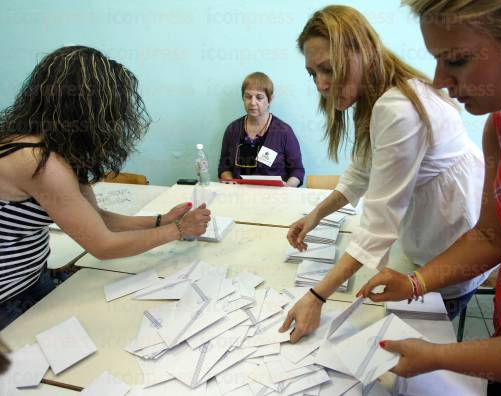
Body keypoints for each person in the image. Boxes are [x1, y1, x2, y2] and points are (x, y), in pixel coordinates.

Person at [358, 1, 501, 394]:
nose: (439, 80)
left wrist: (438, 357)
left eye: (457, 60)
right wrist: (416, 282)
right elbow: (491, 235)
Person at [281, 5, 489, 342]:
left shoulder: (398, 107)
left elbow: (379, 222)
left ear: (361, 52)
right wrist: (316, 214)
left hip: (450, 245)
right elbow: (362, 169)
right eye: (312, 73)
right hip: (428, 239)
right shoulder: (378, 95)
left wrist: (317, 297)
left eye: (329, 69)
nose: (320, 84)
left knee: (415, 349)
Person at [0, 46, 211, 330]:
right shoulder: (41, 161)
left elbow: (95, 218)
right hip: (8, 297)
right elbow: (103, 245)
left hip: (31, 278)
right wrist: (179, 231)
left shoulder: (53, 147)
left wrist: (162, 220)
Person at [218, 72, 305, 187]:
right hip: (238, 195)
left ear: (270, 99)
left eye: (259, 97)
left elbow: (297, 171)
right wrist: (231, 183)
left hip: (274, 198)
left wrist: (286, 189)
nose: (253, 103)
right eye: (248, 96)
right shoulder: (232, 129)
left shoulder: (284, 131)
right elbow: (224, 167)